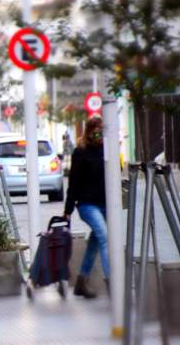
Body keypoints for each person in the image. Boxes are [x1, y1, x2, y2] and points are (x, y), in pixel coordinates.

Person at [64, 117, 108, 299]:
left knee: (95, 242)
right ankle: (113, 283)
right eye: (96, 130)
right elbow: (73, 182)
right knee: (105, 238)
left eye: (102, 130)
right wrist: (67, 211)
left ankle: (81, 282)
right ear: (89, 131)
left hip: (105, 204)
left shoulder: (107, 151)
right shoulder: (80, 152)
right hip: (87, 205)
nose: (99, 134)